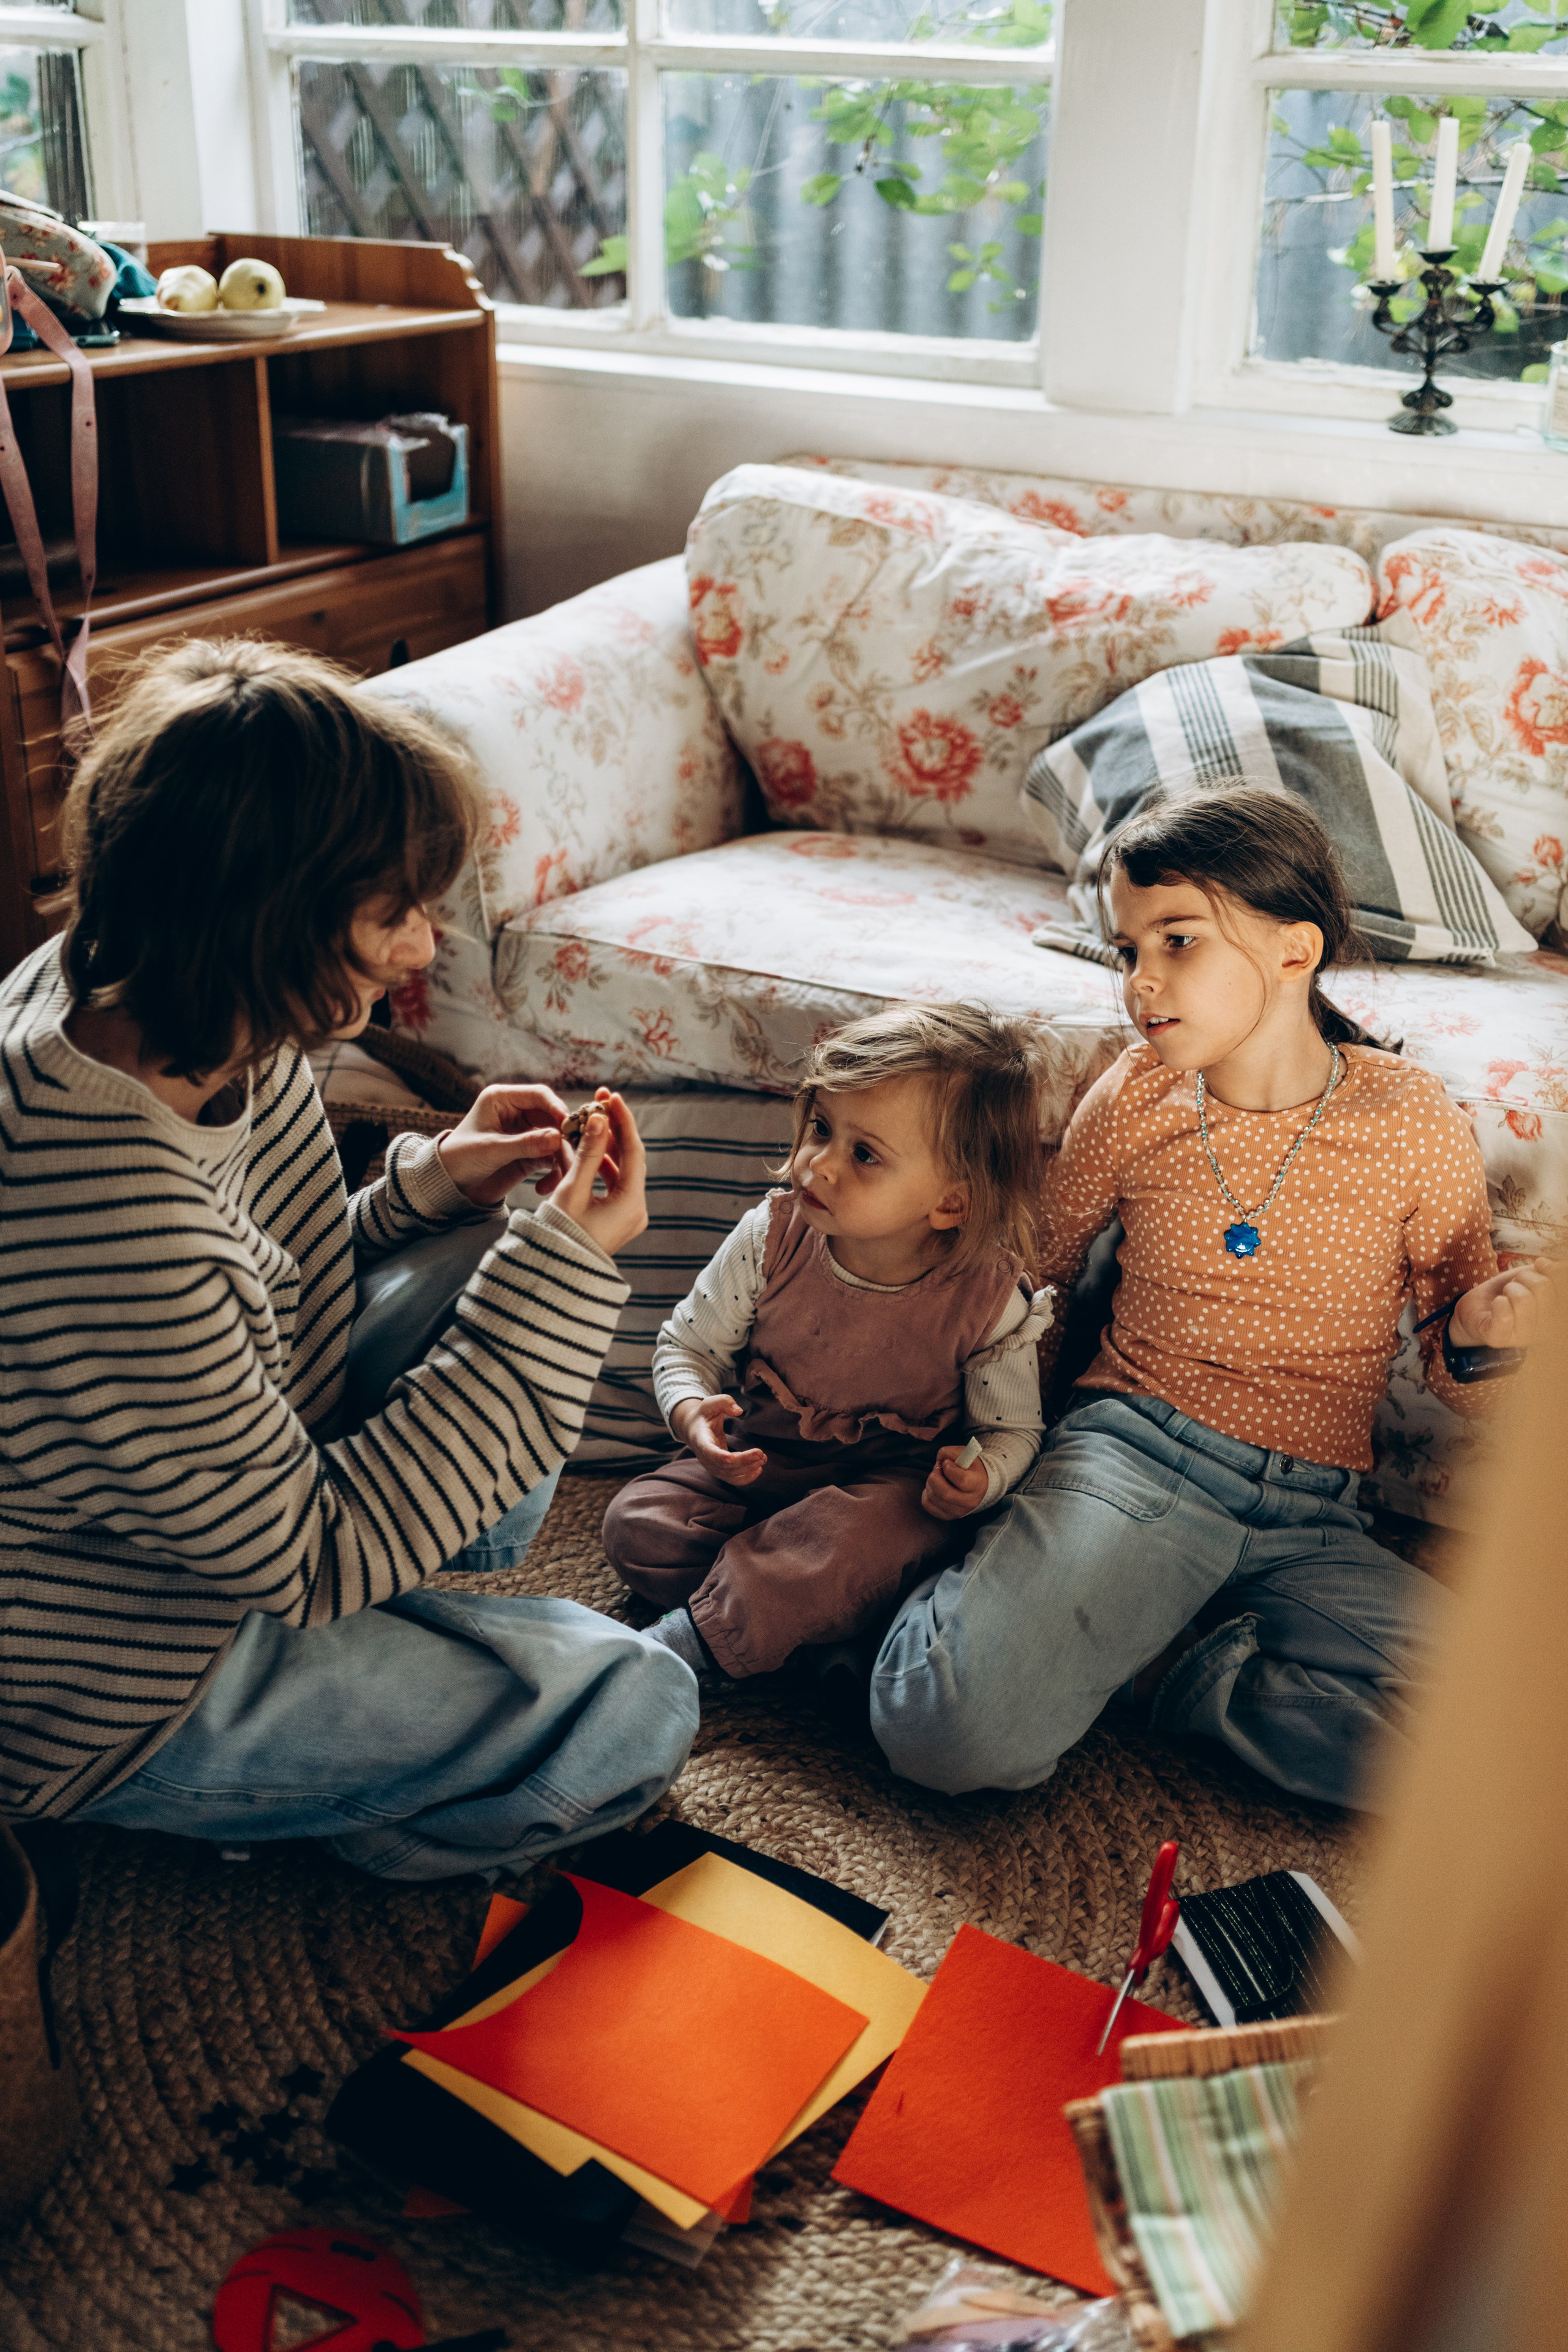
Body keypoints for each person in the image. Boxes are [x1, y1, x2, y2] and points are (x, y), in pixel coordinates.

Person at [0, 638, 698, 1879]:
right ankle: (237, 1815)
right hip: (113, 1680)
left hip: (221, 1508)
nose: (425, 949)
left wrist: (435, 1181)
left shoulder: (150, 988)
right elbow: (314, 1557)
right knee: (641, 1706)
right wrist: (567, 1268)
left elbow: (269, 1275)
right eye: (394, 914)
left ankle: (358, 1729)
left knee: (493, 1252)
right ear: (273, 917)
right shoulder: (106, 1209)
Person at [869, 790, 1556, 1811]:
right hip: (1135, 1460)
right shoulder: (1136, 1096)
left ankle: (1183, 1675)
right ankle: (1046, 1624)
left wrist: (1481, 1333)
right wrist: (1003, 1456)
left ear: (1294, 953)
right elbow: (1038, 1283)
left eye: (1176, 941)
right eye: (1127, 950)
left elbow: (1456, 1373)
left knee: (1524, 1736)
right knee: (944, 1728)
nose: (1141, 983)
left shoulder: (1411, 1118)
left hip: (1316, 1515)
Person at [602, 1004, 1054, 1679]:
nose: (817, 1166)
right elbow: (685, 1348)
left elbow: (1013, 1430)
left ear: (951, 1203)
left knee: (859, 1544)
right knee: (636, 1523)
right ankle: (809, 1622)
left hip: (886, 1495)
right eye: (820, 1129)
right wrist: (691, 1410)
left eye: (864, 1154)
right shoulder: (771, 1237)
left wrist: (980, 1479)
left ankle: (706, 1639)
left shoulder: (989, 1299)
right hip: (762, 1469)